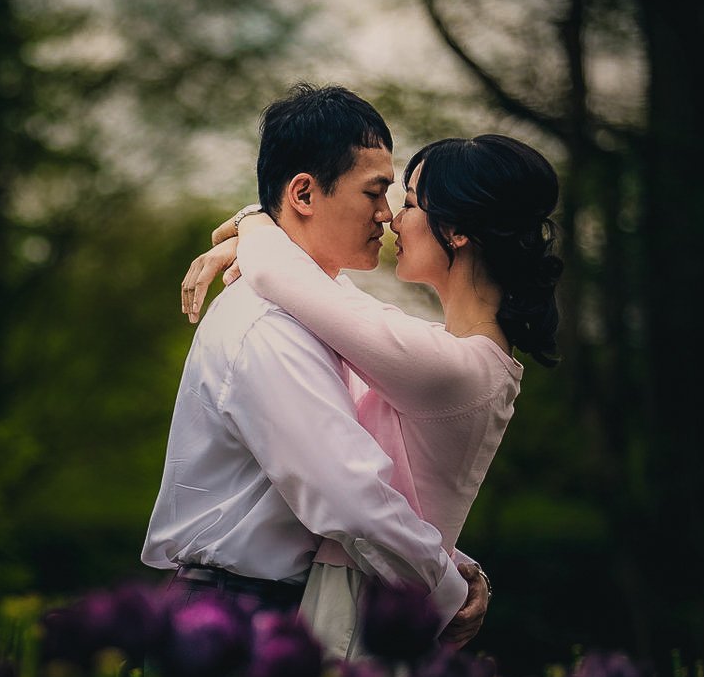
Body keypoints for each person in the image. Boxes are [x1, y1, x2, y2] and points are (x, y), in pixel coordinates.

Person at [178, 130, 561, 659]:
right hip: (376, 588)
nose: (392, 218)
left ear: (457, 230)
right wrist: (454, 568)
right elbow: (327, 294)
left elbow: (303, 287)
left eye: (410, 203)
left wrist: (255, 221)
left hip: (366, 603)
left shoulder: (452, 367)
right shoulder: (448, 355)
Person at [143, 84, 489, 646]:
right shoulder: (268, 324)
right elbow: (348, 498)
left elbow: (369, 488)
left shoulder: (323, 311)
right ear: (304, 193)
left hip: (285, 604)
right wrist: (444, 590)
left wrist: (452, 564)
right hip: (235, 617)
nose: (388, 214)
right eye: (374, 192)